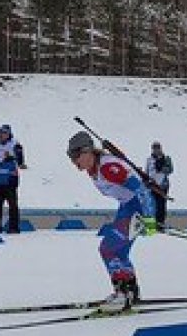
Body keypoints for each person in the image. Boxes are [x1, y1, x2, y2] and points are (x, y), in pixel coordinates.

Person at [67, 131, 157, 312]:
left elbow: (142, 190)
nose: (74, 162)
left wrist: (149, 219)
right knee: (119, 252)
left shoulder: (108, 168)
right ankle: (130, 291)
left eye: (75, 156)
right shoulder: (94, 168)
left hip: (137, 208)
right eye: (71, 157)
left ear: (87, 152)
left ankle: (123, 294)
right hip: (127, 207)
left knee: (108, 249)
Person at [0, 124, 26, 233]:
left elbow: (20, 161)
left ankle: (14, 227)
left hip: (9, 179)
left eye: (4, 133)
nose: (1, 135)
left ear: (9, 134)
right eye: (0, 133)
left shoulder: (14, 144)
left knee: (12, 204)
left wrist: (15, 156)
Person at [145, 142, 174, 229]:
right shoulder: (149, 159)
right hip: (152, 185)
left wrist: (162, 168)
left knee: (161, 205)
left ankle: (161, 224)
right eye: (154, 149)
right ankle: (152, 224)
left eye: (158, 148)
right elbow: (147, 171)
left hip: (162, 185)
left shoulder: (166, 158)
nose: (156, 150)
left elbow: (170, 170)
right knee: (152, 204)